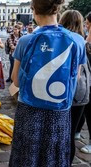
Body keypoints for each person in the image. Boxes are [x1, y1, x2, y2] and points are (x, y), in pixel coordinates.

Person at [9, 0, 87, 166]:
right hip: (59, 111)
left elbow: (15, 80)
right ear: (57, 10)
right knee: (54, 155)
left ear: (34, 11)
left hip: (29, 109)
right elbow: (77, 77)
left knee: (27, 155)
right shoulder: (78, 40)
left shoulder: (25, 40)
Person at [59, 9, 88, 164]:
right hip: (82, 92)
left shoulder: (65, 41)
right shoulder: (83, 41)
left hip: (70, 92)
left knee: (65, 133)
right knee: (70, 132)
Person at [74, 11, 91, 154]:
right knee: (83, 108)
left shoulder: (85, 41)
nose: (85, 24)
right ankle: (77, 131)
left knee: (88, 110)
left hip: (88, 82)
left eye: (87, 22)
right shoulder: (84, 40)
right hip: (87, 83)